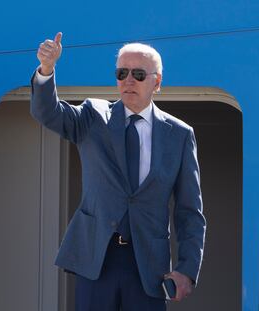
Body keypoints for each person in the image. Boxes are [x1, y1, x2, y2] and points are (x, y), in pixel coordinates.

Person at [30, 32, 206, 311]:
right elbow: (48, 113)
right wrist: (46, 70)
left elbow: (190, 211)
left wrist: (187, 269)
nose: (128, 80)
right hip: (97, 258)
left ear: (157, 82)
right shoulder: (93, 115)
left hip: (148, 265)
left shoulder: (180, 135)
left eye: (138, 74)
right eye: (122, 72)